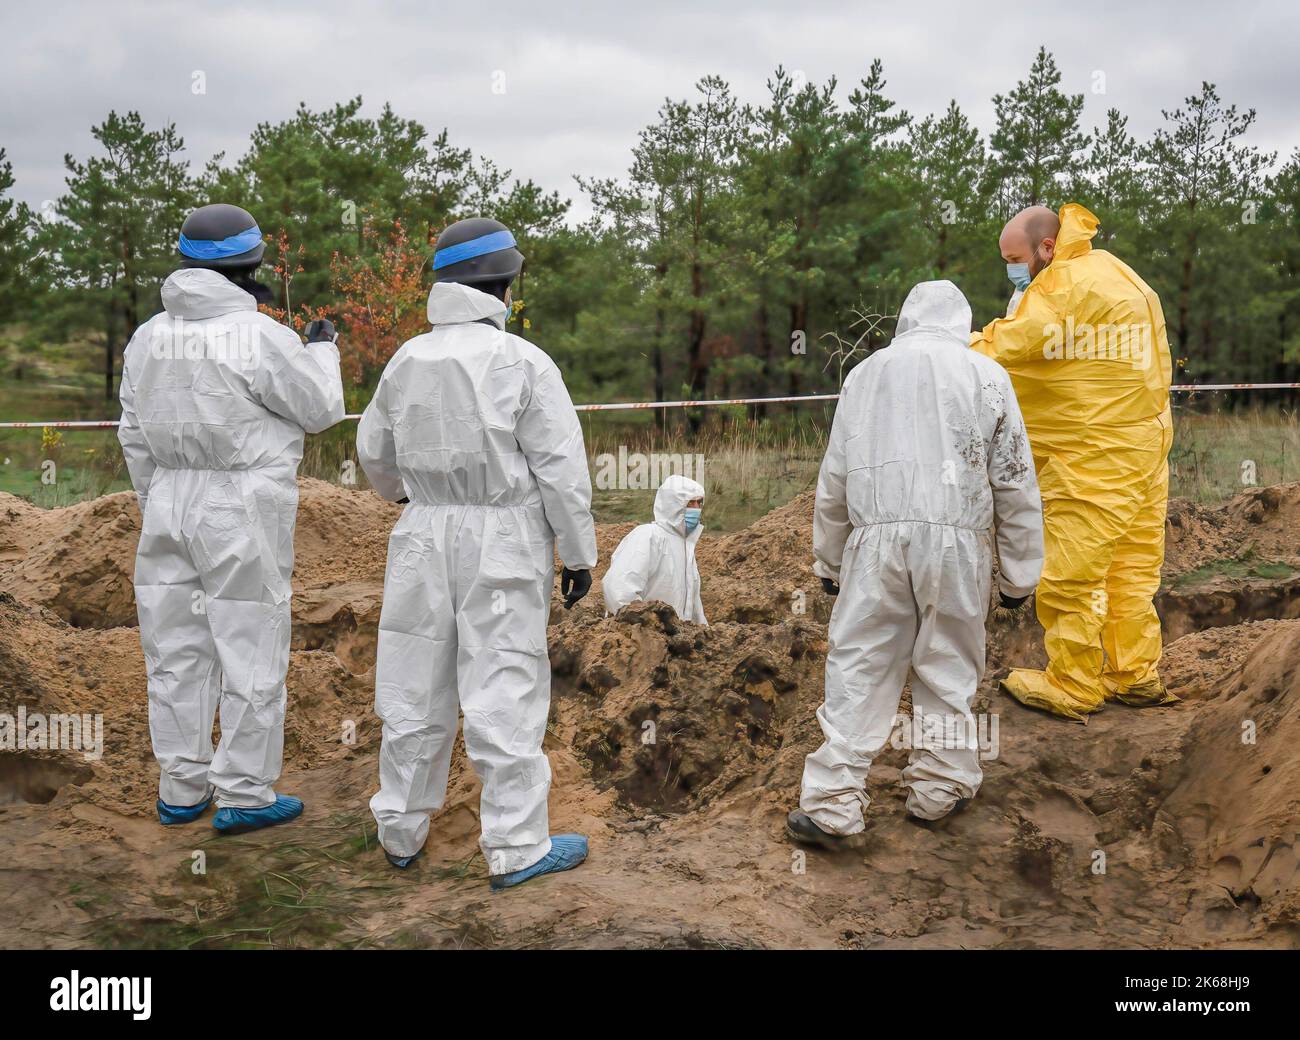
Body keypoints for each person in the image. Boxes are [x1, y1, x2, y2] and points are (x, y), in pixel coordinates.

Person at [358, 217, 597, 889]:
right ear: (501, 283)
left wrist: (411, 495)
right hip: (503, 538)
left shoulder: (406, 359)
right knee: (504, 685)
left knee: (412, 682)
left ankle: (400, 830)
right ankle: (517, 847)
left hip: (423, 534)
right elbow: (560, 471)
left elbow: (373, 453)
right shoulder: (522, 362)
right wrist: (578, 555)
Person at [787, 279, 1042, 847]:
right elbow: (1015, 479)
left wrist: (828, 561)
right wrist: (1019, 574)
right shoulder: (987, 375)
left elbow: (835, 477)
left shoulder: (865, 374)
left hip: (876, 540)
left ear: (905, 319)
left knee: (860, 664)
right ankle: (940, 787)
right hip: (957, 544)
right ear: (962, 323)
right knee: (949, 662)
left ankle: (832, 806)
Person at [118, 203, 345, 833]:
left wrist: (156, 502)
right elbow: (321, 408)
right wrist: (322, 349)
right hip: (241, 504)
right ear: (251, 264)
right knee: (249, 642)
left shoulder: (147, 338)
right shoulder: (261, 337)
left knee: (174, 649)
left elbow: (133, 435)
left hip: (167, 500)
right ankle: (245, 793)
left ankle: (181, 788)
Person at [971, 203, 1176, 722]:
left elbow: (1015, 342)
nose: (1011, 271)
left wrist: (955, 345)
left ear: (1046, 246)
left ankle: (1074, 682)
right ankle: (1133, 673)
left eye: (1015, 259)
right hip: (1144, 444)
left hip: (1094, 451)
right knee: (1129, 567)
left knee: (1071, 571)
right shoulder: (1111, 267)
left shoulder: (1063, 283)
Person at [602, 474, 707, 624]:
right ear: (673, 505)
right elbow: (619, 589)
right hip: (642, 637)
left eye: (699, 502)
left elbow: (692, 604)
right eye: (690, 503)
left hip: (673, 639)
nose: (696, 509)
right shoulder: (648, 536)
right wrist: (648, 626)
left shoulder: (686, 548)